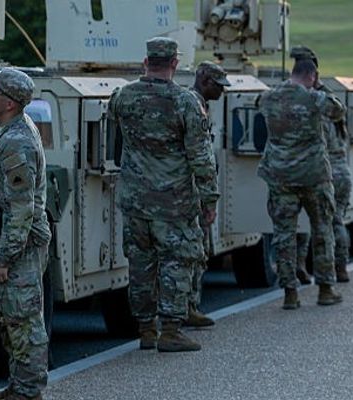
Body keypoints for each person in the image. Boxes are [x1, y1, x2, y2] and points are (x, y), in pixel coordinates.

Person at [110, 37, 216, 352]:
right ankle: (170, 330)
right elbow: (201, 157)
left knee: (141, 265)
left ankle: (145, 330)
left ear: (146, 62)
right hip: (175, 202)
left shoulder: (123, 97)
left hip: (135, 200)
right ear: (174, 64)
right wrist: (209, 199)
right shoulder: (185, 102)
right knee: (178, 262)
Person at [0, 67, 51, 400]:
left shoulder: (16, 140)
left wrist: (4, 256)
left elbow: (21, 208)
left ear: (9, 103)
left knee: (24, 319)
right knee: (12, 317)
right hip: (14, 237)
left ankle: (29, 391)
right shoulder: (7, 130)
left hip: (20, 243)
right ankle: (19, 385)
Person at [257, 59, 345, 309]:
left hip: (280, 175)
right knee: (322, 229)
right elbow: (338, 111)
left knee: (284, 234)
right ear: (312, 75)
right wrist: (320, 88)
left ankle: (290, 293)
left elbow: (258, 106)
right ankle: (326, 289)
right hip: (313, 175)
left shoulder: (270, 97)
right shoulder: (315, 97)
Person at [290, 46, 353, 283]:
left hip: (321, 169)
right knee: (333, 221)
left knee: (306, 221)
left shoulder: (313, 101)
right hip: (337, 169)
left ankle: (301, 266)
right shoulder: (328, 98)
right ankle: (339, 267)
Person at [184, 61, 230, 328]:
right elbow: (202, 158)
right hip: (192, 194)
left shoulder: (198, 103)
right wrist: (209, 199)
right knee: (194, 252)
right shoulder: (193, 105)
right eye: (218, 85)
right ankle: (188, 307)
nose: (222, 91)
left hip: (189, 192)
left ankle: (189, 305)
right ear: (204, 81)